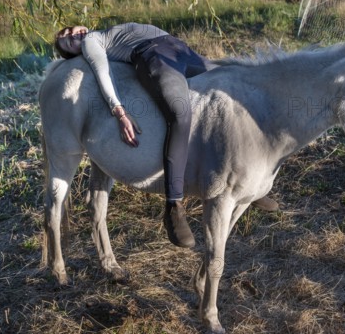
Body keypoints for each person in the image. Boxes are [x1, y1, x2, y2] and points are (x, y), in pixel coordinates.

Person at [54, 23, 279, 248]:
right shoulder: (91, 42)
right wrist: (119, 111)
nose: (73, 35)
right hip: (154, 57)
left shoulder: (105, 31)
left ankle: (247, 185)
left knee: (231, 88)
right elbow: (103, 71)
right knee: (180, 114)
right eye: (68, 41)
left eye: (70, 30)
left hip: (179, 50)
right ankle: (174, 205)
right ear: (75, 53)